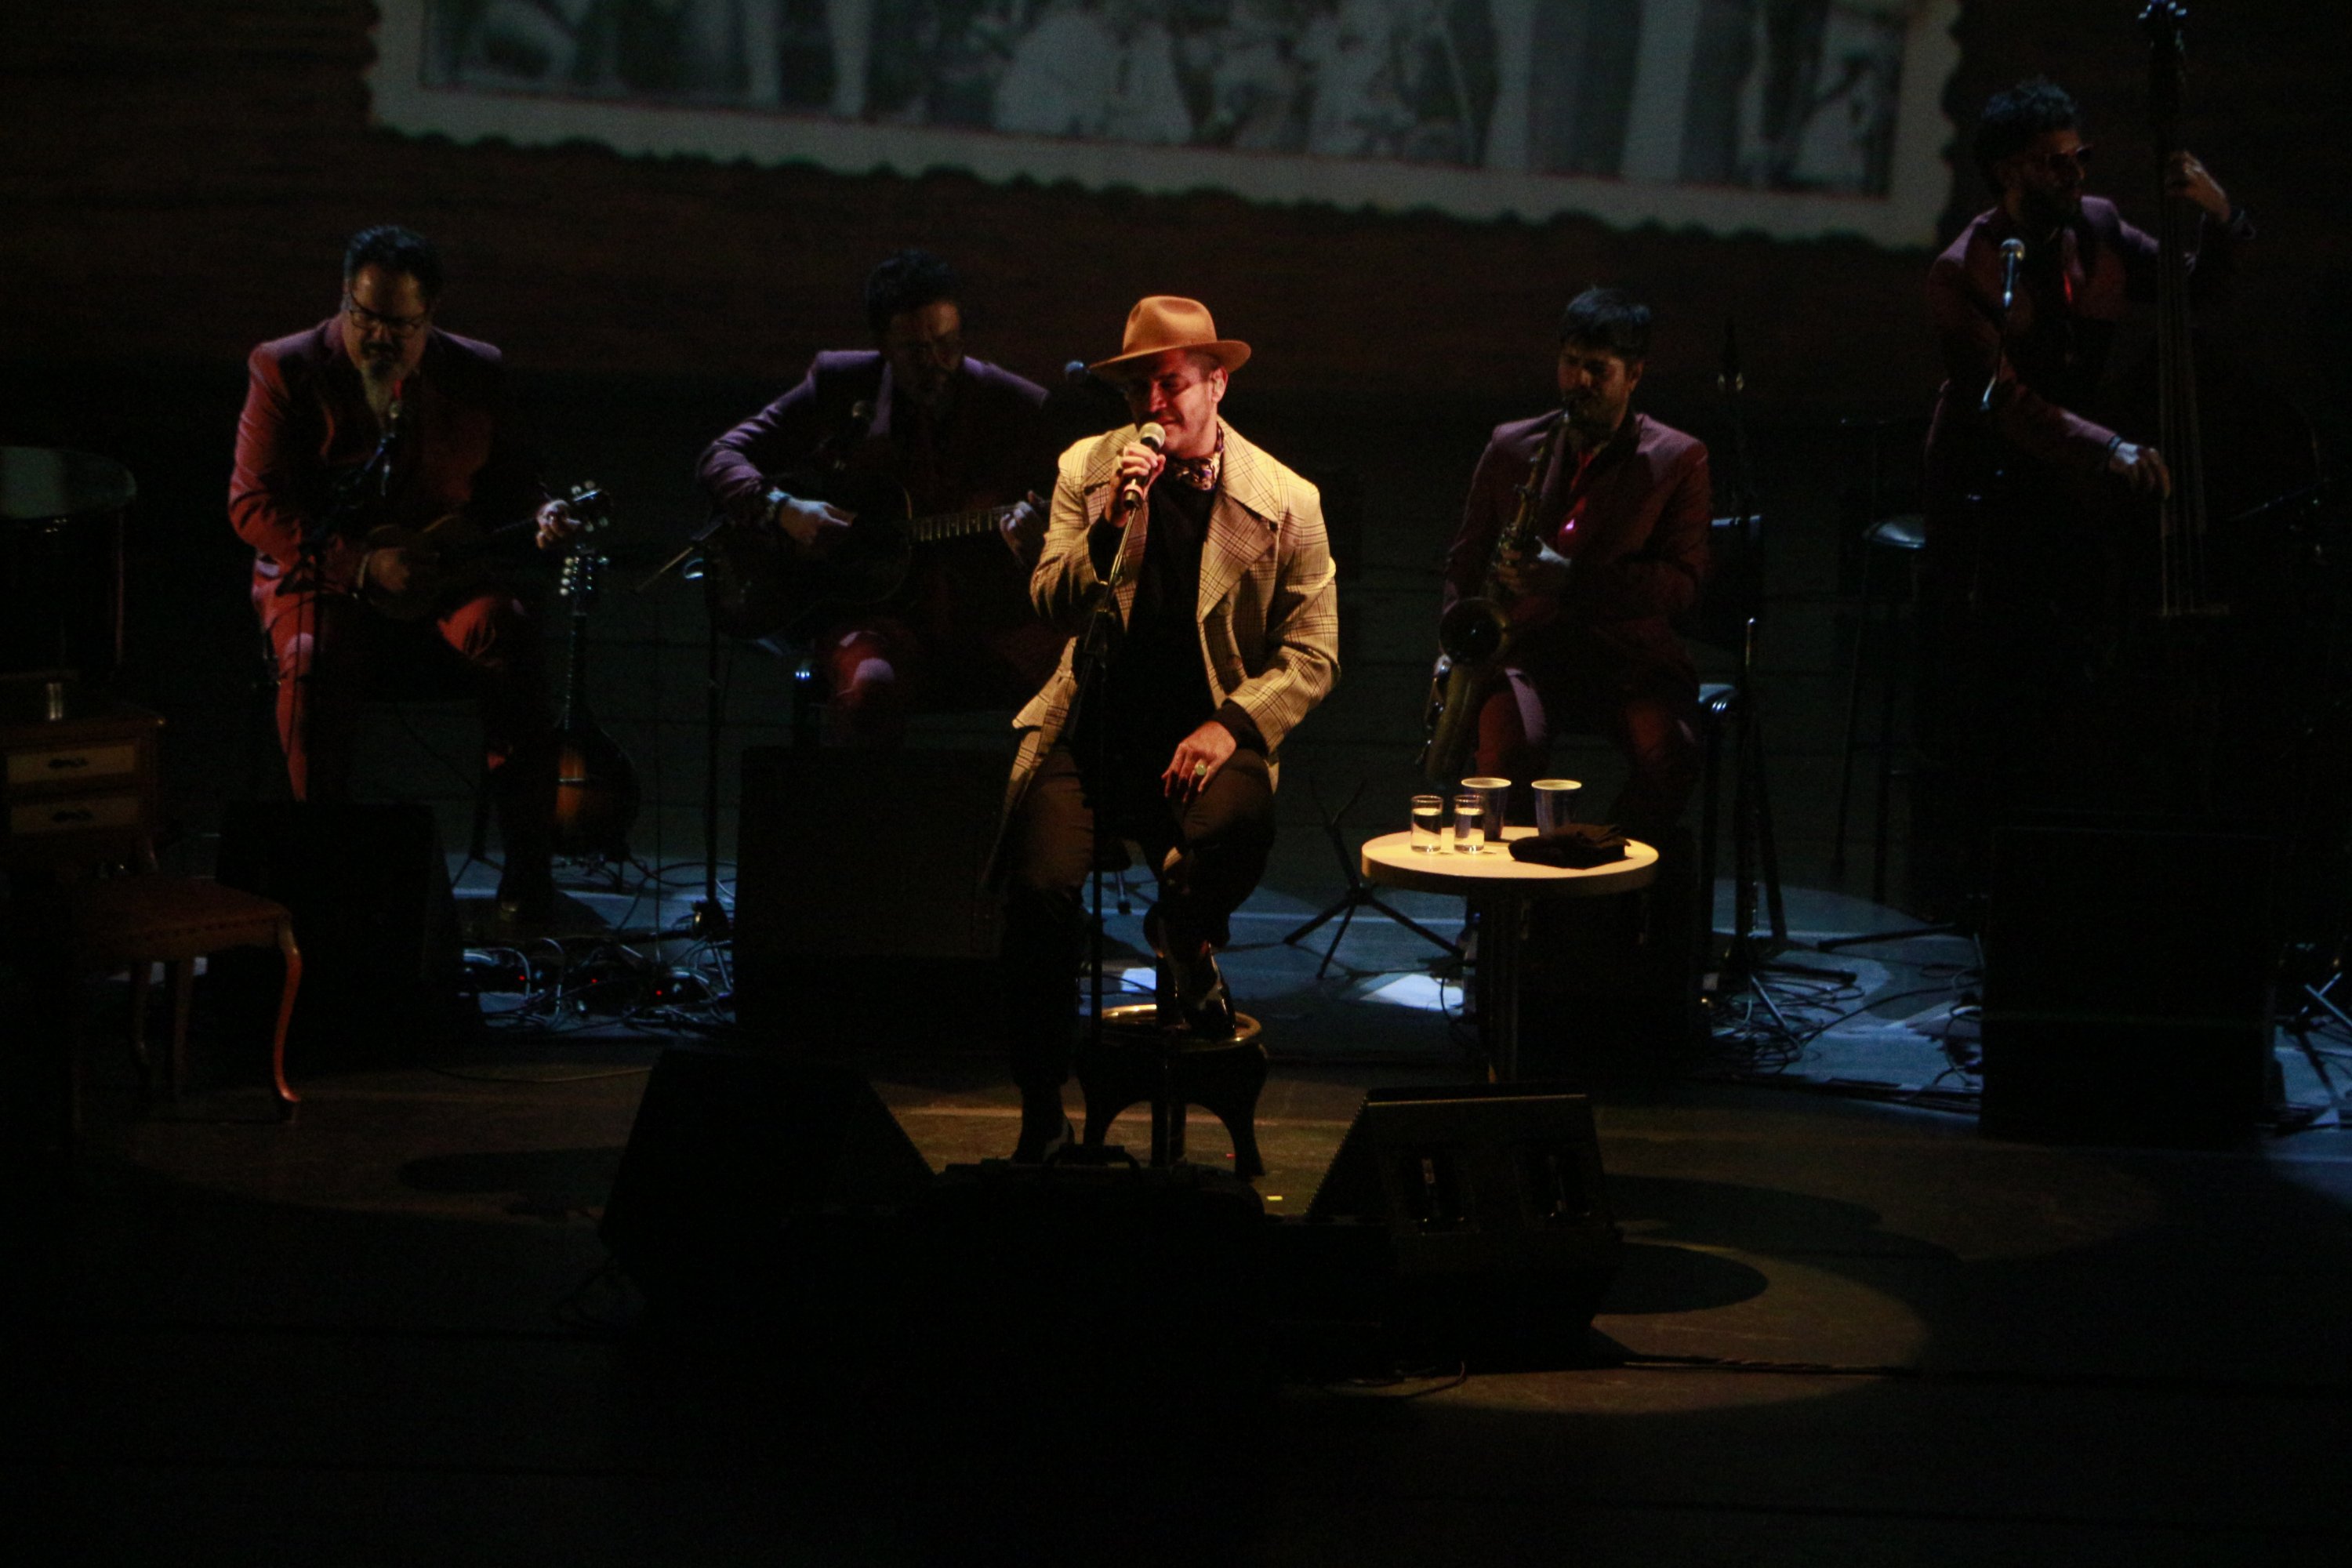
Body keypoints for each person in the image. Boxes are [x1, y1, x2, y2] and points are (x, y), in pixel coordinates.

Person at [995, 296, 1340, 1160]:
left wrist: (1232, 723)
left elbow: (1314, 653)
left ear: (1217, 384)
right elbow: (1048, 599)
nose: (1154, 405)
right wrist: (1108, 525)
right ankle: (1042, 1110)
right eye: (1138, 389)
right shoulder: (1088, 470)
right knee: (1037, 892)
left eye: (1172, 383)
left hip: (1203, 735)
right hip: (1095, 729)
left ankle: (1183, 936)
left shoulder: (1287, 499)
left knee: (1237, 823)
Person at [1916, 78, 2249, 897]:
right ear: (2007, 172)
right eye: (2053, 162)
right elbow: (2002, 400)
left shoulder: (2097, 227)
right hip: (1990, 482)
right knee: (2007, 670)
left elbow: (2192, 289)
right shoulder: (1965, 268)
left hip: (2072, 477)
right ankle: (1982, 865)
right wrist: (2106, 446)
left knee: (2083, 660)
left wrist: (2220, 214)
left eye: (2080, 157)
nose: (2074, 174)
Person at [230, 224, 579, 920]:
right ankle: (321, 870)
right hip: (327, 582)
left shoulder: (476, 370)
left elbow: (516, 483)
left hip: (440, 579)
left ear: (431, 314)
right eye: (364, 317)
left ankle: (529, 874)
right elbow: (252, 504)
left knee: (506, 631)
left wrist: (545, 512)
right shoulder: (284, 366)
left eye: (400, 325)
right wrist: (361, 564)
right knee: (312, 660)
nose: (378, 337)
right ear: (344, 298)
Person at [695, 250, 1062, 745]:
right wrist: (784, 510)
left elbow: (1067, 511)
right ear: (883, 345)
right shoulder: (841, 384)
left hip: (986, 622)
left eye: (947, 344)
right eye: (914, 350)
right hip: (872, 620)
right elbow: (721, 456)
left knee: (1083, 672)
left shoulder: (1015, 405)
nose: (935, 364)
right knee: (869, 687)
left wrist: (1034, 542)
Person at [1439, 286, 1712, 838]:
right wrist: (1455, 651)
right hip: (1529, 650)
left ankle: (1605, 868)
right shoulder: (1512, 447)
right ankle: (1512, 887)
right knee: (1502, 762)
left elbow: (1682, 585)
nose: (1579, 381)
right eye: (1570, 363)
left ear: (1634, 375)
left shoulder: (1678, 458)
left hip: (1627, 657)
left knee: (1672, 754)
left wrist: (1569, 579)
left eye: (1598, 369)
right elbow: (1467, 559)